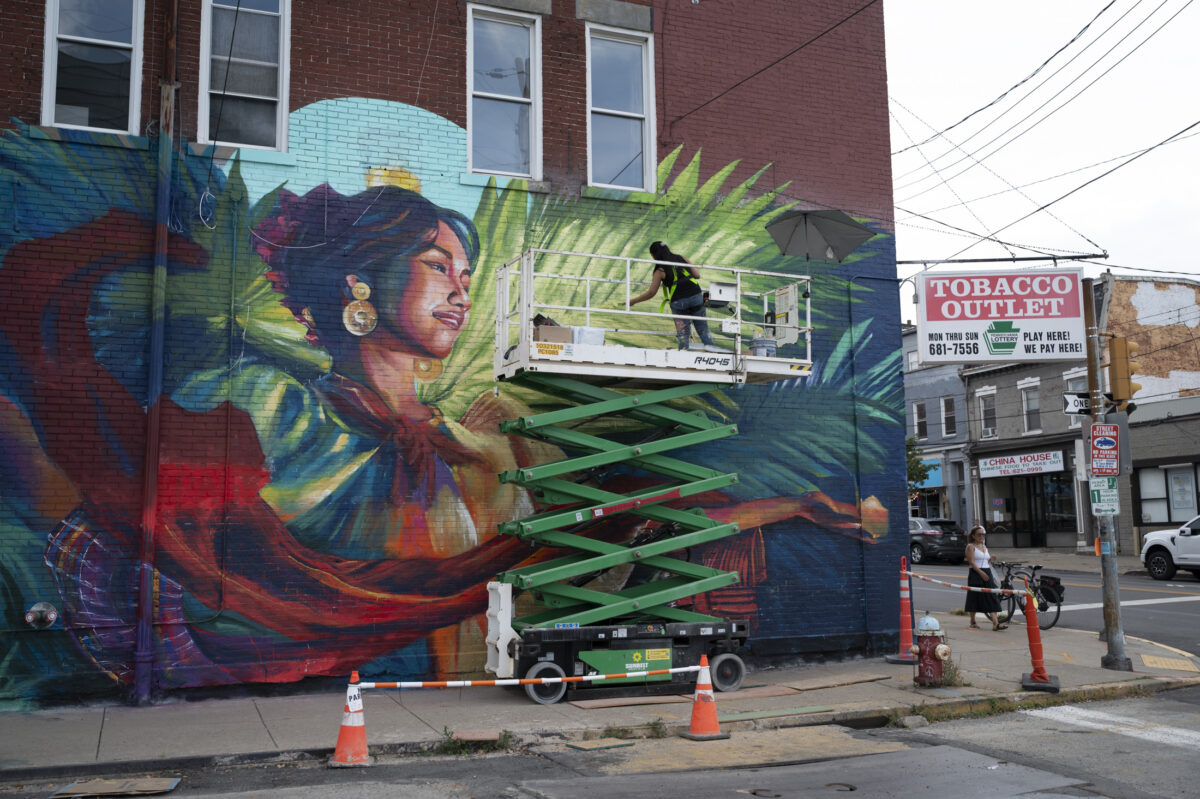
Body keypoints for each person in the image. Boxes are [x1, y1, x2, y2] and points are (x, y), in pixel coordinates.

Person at [629, 241, 716, 350]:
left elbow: (651, 292)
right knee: (703, 329)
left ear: (654, 255)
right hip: (696, 297)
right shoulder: (681, 258)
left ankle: (684, 353)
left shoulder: (660, 270)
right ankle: (712, 352)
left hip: (679, 303)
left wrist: (633, 301)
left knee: (683, 333)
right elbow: (697, 275)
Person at [964, 525, 1006, 630]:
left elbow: (984, 560)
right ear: (973, 536)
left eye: (983, 534)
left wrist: (990, 559)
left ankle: (995, 623)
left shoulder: (984, 546)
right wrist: (980, 572)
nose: (982, 536)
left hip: (987, 571)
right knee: (974, 596)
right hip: (976, 572)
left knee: (991, 596)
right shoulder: (970, 546)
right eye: (979, 534)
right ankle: (972, 621)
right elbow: (972, 562)